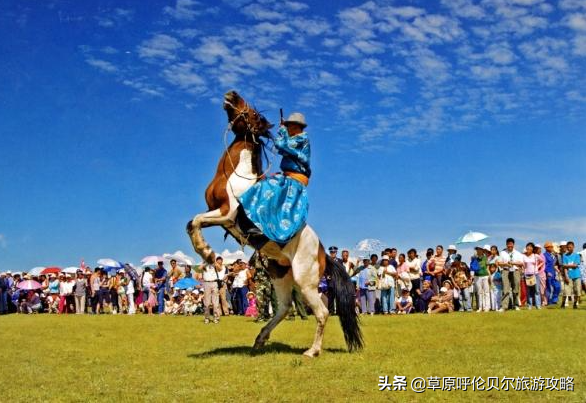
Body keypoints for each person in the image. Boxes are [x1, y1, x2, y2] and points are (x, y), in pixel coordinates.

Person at [238, 112, 311, 245]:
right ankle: (255, 221)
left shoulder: (302, 139)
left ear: (296, 127)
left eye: (289, 126)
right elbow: (283, 149)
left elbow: (282, 145)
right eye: (287, 126)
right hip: (288, 176)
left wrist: (282, 130)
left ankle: (262, 226)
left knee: (266, 188)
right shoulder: (295, 139)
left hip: (295, 181)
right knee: (264, 185)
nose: (288, 128)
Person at [497, 238, 524, 311]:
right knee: (505, 289)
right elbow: (498, 263)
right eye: (508, 244)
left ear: (513, 244)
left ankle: (516, 305)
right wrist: (506, 264)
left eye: (511, 244)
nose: (510, 245)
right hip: (505, 271)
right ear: (506, 244)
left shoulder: (518, 253)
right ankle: (504, 306)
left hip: (515, 271)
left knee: (516, 288)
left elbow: (521, 263)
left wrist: (513, 263)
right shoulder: (502, 253)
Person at [200, 259, 223, 324]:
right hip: (206, 283)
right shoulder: (204, 264)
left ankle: (216, 318)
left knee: (215, 303)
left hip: (214, 283)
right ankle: (207, 318)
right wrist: (205, 262)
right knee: (206, 303)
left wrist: (214, 262)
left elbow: (220, 269)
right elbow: (199, 269)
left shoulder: (214, 263)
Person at [561, 241, 581, 309]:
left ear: (573, 247)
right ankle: (563, 303)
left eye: (570, 247)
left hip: (576, 275)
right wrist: (566, 275)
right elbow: (564, 268)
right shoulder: (564, 256)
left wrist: (566, 265)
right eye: (568, 247)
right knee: (566, 291)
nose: (569, 248)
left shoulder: (577, 255)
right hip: (569, 275)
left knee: (577, 290)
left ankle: (575, 304)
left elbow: (575, 265)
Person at [474, 245, 491, 312]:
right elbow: (472, 267)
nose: (478, 251)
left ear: (482, 250)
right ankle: (481, 307)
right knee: (479, 292)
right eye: (477, 250)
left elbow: (487, 268)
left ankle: (487, 307)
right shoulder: (474, 258)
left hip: (485, 276)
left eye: (479, 249)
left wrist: (489, 276)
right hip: (477, 276)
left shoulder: (485, 258)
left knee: (486, 292)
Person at [522, 242, 539, 310]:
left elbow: (542, 262)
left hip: (535, 274)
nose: (528, 248)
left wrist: (538, 266)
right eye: (527, 246)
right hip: (527, 275)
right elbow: (522, 264)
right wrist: (523, 269)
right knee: (528, 291)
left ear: (532, 248)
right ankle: (529, 305)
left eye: (530, 246)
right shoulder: (523, 256)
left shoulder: (535, 256)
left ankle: (538, 305)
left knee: (536, 290)